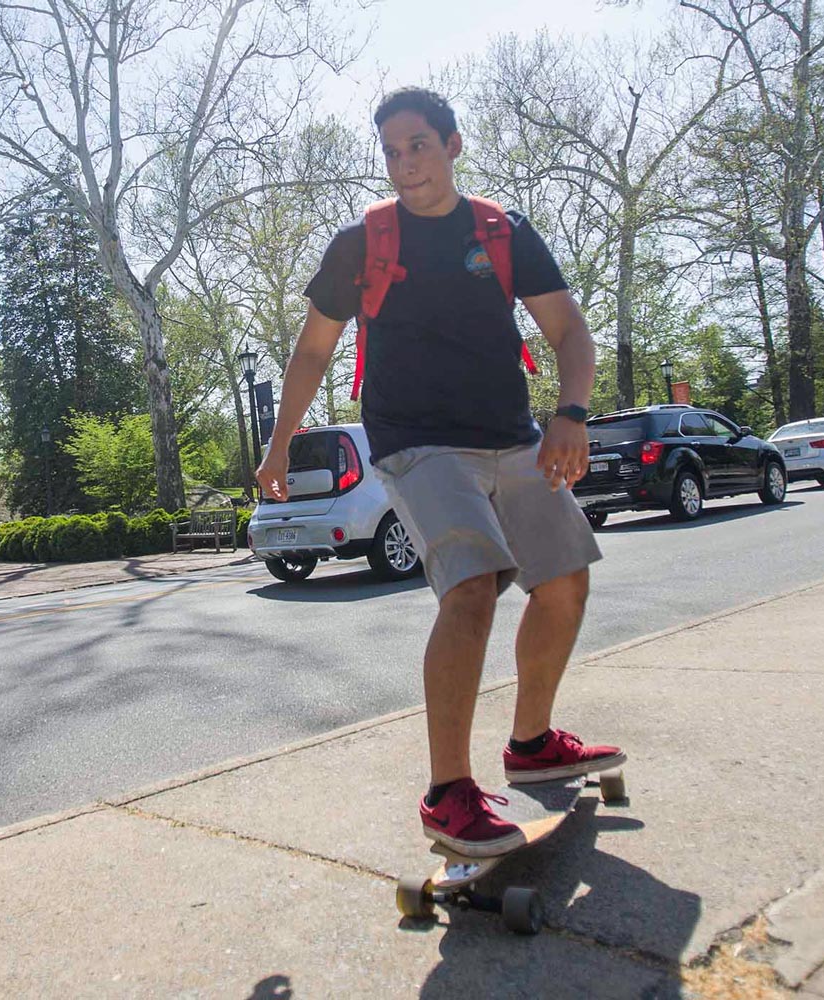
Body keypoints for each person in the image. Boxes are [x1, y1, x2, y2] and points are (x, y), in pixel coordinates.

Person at [255, 87, 624, 859]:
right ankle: (448, 795)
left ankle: (530, 742)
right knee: (471, 588)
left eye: (418, 144)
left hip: (510, 434)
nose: (404, 163)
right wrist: (280, 442)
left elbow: (568, 331)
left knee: (564, 580)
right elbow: (314, 350)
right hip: (416, 441)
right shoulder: (363, 241)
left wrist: (573, 413)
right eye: (391, 150)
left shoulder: (501, 229)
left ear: (453, 145)